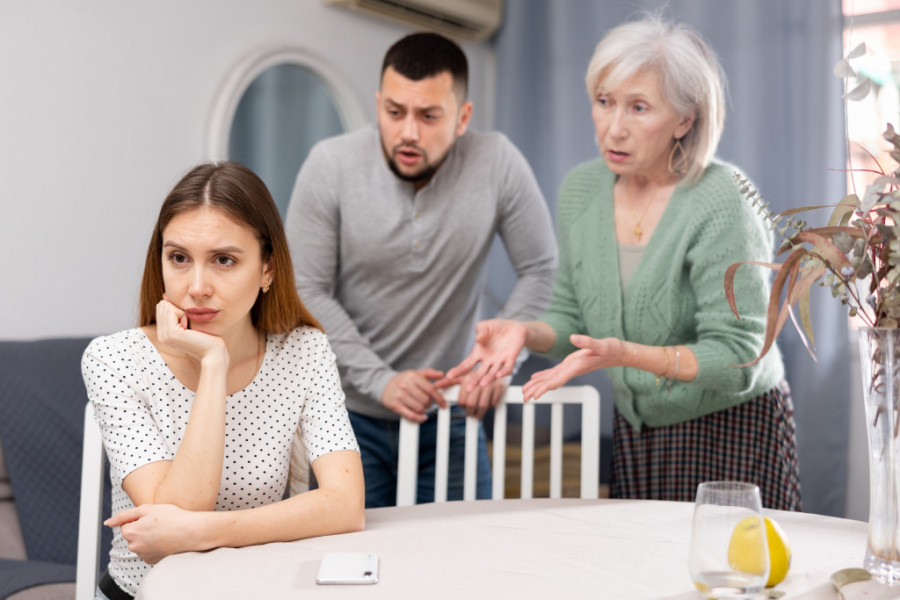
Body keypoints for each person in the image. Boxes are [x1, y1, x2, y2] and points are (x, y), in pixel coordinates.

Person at [448, 16, 802, 510]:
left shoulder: (723, 199)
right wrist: (523, 331)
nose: (614, 128)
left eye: (639, 108)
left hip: (731, 427)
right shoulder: (582, 189)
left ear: (685, 119)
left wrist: (627, 355)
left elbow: (739, 360)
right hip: (636, 430)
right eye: (604, 101)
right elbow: (571, 316)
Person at [286, 32, 557, 507]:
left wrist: (497, 365)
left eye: (429, 116)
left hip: (451, 412)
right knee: (350, 551)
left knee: (463, 549)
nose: (408, 132)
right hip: (345, 417)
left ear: (462, 118)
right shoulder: (330, 165)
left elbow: (541, 268)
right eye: (395, 112)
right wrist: (380, 380)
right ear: (378, 105)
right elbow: (305, 288)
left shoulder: (497, 162)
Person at [82, 162, 364, 599]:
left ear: (267, 269)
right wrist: (213, 364)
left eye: (224, 260)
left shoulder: (304, 351)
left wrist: (204, 531)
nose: (197, 286)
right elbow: (176, 516)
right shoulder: (114, 359)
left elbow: (346, 505)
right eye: (179, 258)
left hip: (257, 591)